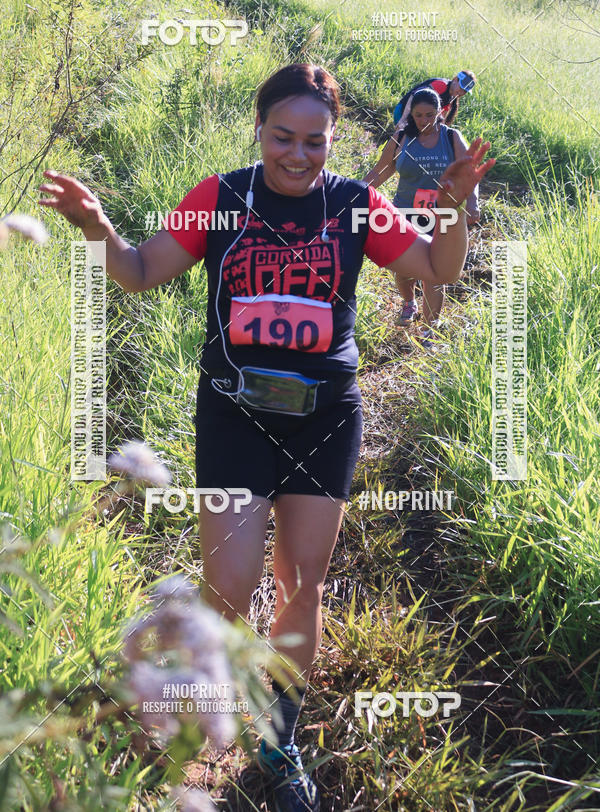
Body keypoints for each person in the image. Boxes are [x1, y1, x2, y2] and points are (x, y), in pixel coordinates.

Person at [38, 63, 494, 812]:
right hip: (234, 414)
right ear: (259, 129)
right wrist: (97, 229)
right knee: (228, 587)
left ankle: (278, 742)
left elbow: (439, 266)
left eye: (315, 140)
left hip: (325, 416)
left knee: (301, 583)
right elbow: (141, 271)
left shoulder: (355, 204)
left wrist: (453, 202)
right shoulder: (221, 200)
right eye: (283, 136)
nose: (298, 154)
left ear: (333, 140)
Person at [365, 87, 481, 345]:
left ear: (440, 112)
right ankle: (409, 302)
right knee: (404, 269)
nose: (424, 121)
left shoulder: (451, 137)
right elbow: (380, 172)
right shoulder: (401, 138)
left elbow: (469, 172)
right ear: (412, 115)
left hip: (443, 215)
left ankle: (429, 329)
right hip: (405, 212)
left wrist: (472, 203)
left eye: (430, 115)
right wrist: (353, 193)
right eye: (418, 115)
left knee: (434, 273)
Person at [393, 69, 476, 132]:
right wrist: (403, 119)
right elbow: (414, 96)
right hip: (403, 110)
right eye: (461, 87)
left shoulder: (451, 98)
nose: (461, 92)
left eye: (465, 91)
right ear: (455, 79)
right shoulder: (442, 85)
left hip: (416, 117)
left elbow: (442, 121)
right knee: (403, 142)